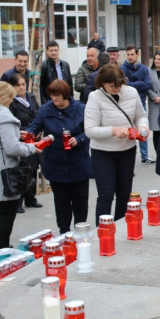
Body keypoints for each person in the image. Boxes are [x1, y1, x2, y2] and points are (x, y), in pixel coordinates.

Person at [85, 64, 149, 225]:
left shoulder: (131, 93)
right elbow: (90, 130)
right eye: (111, 86)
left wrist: (142, 127)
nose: (116, 89)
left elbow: (141, 115)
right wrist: (113, 130)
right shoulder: (94, 97)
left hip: (127, 150)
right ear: (102, 83)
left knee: (124, 193)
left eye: (119, 85)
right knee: (106, 194)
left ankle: (121, 228)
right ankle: (102, 231)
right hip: (103, 152)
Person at [25, 80, 91, 234]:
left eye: (57, 96)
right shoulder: (46, 109)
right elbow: (36, 125)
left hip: (78, 163)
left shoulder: (81, 109)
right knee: (61, 202)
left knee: (80, 201)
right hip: (56, 163)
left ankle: (81, 231)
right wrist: (29, 133)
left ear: (66, 95)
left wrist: (79, 139)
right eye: (52, 96)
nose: (54, 99)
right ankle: (64, 233)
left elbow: (90, 130)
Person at [0, 81, 38, 251]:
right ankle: (2, 248)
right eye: (10, 98)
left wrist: (17, 133)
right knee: (8, 211)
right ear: (3, 97)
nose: (12, 101)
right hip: (6, 171)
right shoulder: (4, 117)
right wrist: (32, 148)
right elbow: (12, 148)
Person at [8, 74, 42, 213]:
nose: (22, 87)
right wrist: (25, 131)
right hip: (21, 137)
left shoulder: (31, 97)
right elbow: (12, 121)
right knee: (22, 169)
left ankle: (31, 198)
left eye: (23, 84)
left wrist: (38, 128)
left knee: (33, 168)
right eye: (18, 85)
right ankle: (18, 202)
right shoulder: (11, 102)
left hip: (33, 136)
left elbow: (39, 114)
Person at [121, 44, 155, 164]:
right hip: (126, 102)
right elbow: (124, 85)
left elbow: (147, 85)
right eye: (128, 54)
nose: (130, 57)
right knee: (127, 130)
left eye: (132, 54)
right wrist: (139, 83)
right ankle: (126, 156)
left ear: (137, 54)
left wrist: (132, 83)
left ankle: (145, 156)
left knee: (143, 128)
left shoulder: (144, 69)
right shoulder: (123, 68)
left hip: (140, 101)